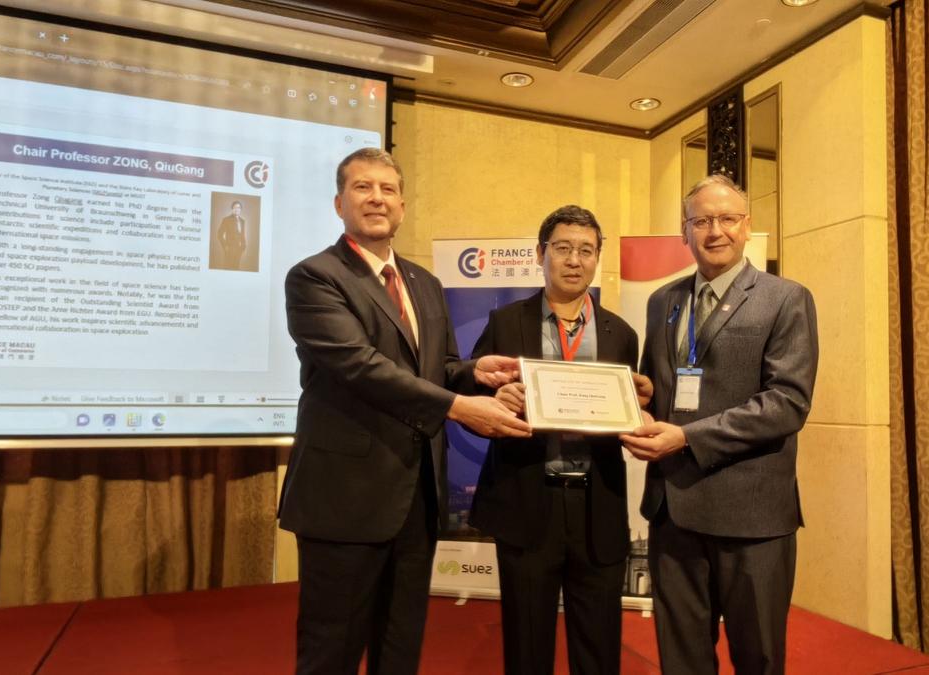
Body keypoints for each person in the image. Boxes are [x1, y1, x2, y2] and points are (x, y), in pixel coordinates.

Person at [280, 147, 532, 675]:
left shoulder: (424, 283)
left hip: (417, 498)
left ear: (402, 206)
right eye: (363, 187)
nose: (377, 198)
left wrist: (475, 372)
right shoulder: (315, 277)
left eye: (388, 189)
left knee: (400, 647)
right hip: (345, 498)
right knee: (331, 651)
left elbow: (438, 366)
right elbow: (361, 367)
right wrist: (459, 407)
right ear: (339, 203)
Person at [619, 175, 818, 675]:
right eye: (702, 220)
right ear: (684, 230)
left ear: (746, 226)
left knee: (758, 657)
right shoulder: (662, 301)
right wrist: (640, 400)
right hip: (673, 510)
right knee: (681, 659)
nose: (715, 231)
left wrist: (686, 437)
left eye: (727, 218)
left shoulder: (785, 298)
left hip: (752, 515)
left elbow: (787, 403)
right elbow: (661, 385)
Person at [468, 205, 652, 675]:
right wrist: (497, 398)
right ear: (540, 253)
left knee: (599, 647)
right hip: (529, 500)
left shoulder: (621, 334)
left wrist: (639, 409)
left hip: (597, 506)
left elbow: (630, 412)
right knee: (527, 646)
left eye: (586, 250)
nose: (574, 260)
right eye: (563, 248)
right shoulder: (506, 322)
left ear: (597, 258)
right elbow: (470, 395)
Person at [217, 200, 247, 269]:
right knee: (228, 268)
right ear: (232, 209)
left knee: (236, 269)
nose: (237, 209)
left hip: (239, 250)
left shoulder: (242, 221)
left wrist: (243, 246)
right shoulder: (226, 220)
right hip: (229, 250)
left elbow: (242, 235)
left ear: (240, 210)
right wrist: (225, 247)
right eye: (235, 207)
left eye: (238, 208)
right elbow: (219, 234)